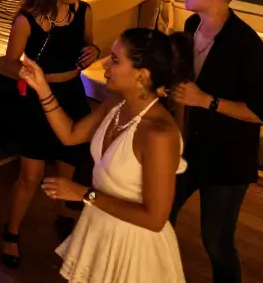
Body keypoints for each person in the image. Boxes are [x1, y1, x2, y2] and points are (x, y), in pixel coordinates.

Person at [22, 28, 190, 283]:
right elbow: (70, 134)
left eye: (115, 59)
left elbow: (155, 219)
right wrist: (42, 88)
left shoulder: (159, 135)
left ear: (142, 76)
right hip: (100, 226)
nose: (105, 66)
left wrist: (82, 193)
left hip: (134, 247)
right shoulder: (117, 103)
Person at [169, 0, 263, 283]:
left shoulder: (248, 46)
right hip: (187, 149)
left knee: (216, 243)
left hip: (227, 160)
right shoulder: (192, 26)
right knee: (159, 220)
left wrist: (205, 101)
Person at [1, 0, 99, 268]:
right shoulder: (26, 20)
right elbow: (10, 61)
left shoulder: (84, 11)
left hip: (71, 94)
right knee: (31, 175)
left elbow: (89, 44)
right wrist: (33, 76)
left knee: (67, 163)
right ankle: (11, 232)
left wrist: (94, 51)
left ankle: (61, 210)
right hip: (36, 100)